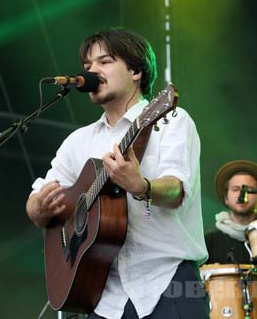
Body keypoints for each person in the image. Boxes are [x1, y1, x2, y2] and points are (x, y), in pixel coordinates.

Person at [26, 27, 209, 319]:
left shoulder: (171, 121)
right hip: (103, 296)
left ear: (135, 70)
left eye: (104, 61)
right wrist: (38, 208)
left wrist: (142, 186)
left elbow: (177, 191)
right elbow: (38, 204)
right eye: (87, 66)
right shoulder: (78, 142)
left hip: (168, 285)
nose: (91, 71)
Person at [205, 159, 257, 264]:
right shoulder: (210, 241)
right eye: (235, 189)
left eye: (248, 190)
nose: (241, 195)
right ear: (226, 198)